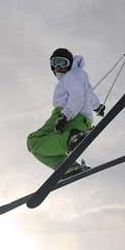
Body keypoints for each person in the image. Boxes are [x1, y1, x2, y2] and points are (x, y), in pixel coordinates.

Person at [27, 48, 105, 178]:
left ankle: (70, 139)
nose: (58, 66)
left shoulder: (71, 76)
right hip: (82, 122)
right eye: (55, 63)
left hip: (69, 116)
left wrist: (64, 116)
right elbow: (88, 94)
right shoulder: (79, 76)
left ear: (70, 63)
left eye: (62, 62)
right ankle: (69, 167)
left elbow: (77, 96)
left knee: (33, 141)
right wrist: (97, 107)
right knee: (39, 149)